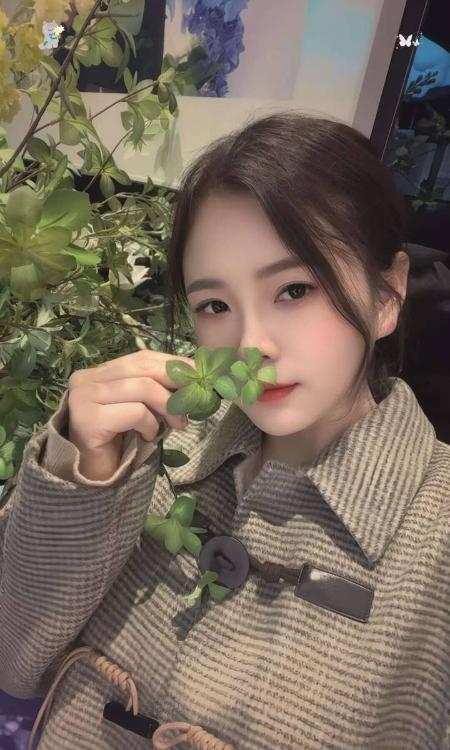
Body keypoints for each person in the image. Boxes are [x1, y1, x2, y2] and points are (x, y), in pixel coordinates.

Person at [0, 111, 449, 750]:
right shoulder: (150, 450)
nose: (250, 344)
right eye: (215, 305)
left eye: (295, 289)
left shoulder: (436, 538)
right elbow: (14, 664)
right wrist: (82, 480)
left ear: (388, 295)